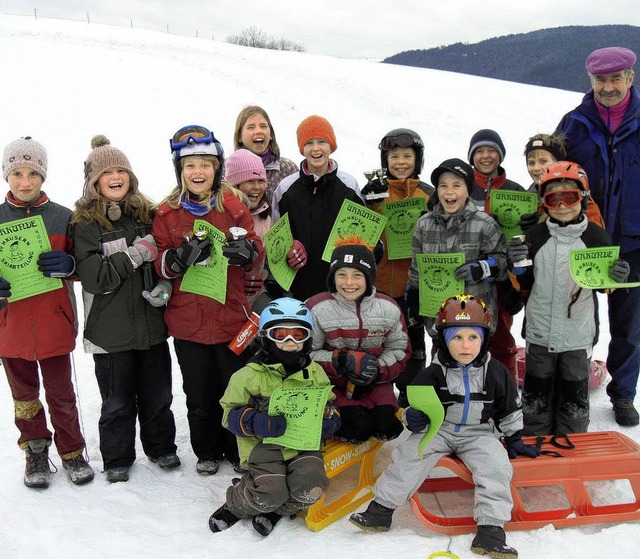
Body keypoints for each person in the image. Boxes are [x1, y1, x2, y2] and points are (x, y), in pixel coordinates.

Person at [349, 294, 539, 559]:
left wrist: (515, 436)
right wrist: (413, 418)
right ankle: (381, 510)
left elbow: (509, 406)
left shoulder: (496, 372)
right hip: (440, 430)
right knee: (408, 454)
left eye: (473, 337)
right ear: (444, 340)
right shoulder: (432, 373)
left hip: (479, 432)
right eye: (456, 338)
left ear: (484, 339)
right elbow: (415, 405)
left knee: (495, 466)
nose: (465, 345)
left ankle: (491, 530)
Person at [153, 125, 265, 475]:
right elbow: (157, 262)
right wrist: (174, 260)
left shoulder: (233, 207)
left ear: (217, 168)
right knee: (199, 395)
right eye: (189, 165)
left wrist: (248, 251)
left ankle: (236, 448)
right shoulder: (167, 214)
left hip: (232, 318)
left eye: (205, 163)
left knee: (234, 392)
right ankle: (207, 450)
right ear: (180, 171)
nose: (197, 171)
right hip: (188, 324)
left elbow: (256, 250)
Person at [73, 135, 179, 483]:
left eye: (122, 170)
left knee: (158, 395)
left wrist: (164, 288)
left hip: (150, 325)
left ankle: (161, 447)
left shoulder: (147, 214)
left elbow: (164, 263)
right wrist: (137, 253)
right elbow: (96, 278)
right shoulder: (85, 224)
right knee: (117, 402)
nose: (116, 176)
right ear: (94, 181)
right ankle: (117, 457)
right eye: (107, 172)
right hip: (110, 331)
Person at [506, 161, 629, 435]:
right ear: (544, 202)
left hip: (578, 334)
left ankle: (572, 441)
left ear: (583, 198)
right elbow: (523, 284)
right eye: (553, 198)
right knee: (536, 393)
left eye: (570, 197)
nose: (562, 206)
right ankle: (534, 439)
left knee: (574, 393)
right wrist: (515, 264)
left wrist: (616, 274)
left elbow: (604, 286)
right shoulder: (535, 236)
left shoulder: (596, 237)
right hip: (539, 332)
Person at [0, 136, 93, 488]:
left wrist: (70, 264)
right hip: (10, 329)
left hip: (55, 323)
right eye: (17, 173)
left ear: (44, 176)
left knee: (61, 394)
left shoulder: (63, 218)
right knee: (24, 397)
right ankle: (35, 450)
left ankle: (72, 451)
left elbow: (86, 267)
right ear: (7, 175)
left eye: (33, 174)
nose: (25, 182)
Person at [554, 46, 640, 426]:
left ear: (630, 78)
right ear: (590, 81)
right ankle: (572, 386)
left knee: (630, 323)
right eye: (600, 80)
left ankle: (622, 394)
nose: (608, 86)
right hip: (584, 239)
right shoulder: (574, 123)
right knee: (576, 316)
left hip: (634, 241)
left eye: (615, 79)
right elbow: (551, 175)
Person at [210, 297, 340, 536]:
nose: (290, 342)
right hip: (263, 447)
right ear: (266, 338)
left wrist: (330, 421)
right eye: (281, 335)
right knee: (270, 492)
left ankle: (275, 511)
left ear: (308, 338)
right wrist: (255, 422)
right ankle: (237, 504)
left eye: (297, 335)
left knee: (312, 487)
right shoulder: (247, 375)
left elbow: (328, 405)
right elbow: (229, 414)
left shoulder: (314, 373)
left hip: (303, 446)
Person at [307, 239, 408, 444]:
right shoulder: (317, 308)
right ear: (332, 278)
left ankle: (378, 413)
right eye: (341, 275)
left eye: (357, 275)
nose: (349, 283)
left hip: (376, 385)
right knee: (357, 429)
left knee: (388, 427)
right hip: (334, 386)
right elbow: (306, 354)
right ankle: (342, 420)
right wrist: (340, 360)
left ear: (369, 277)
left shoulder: (388, 308)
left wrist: (378, 369)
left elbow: (400, 348)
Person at [361, 128, 434, 407]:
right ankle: (377, 401)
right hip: (379, 288)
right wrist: (369, 204)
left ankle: (411, 402)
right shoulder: (375, 192)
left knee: (413, 348)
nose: (401, 162)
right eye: (394, 156)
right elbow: (360, 233)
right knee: (378, 346)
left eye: (407, 156)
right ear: (385, 159)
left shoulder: (428, 194)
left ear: (418, 159)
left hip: (412, 288)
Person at [406, 158, 507, 346]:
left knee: (477, 372)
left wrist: (483, 268)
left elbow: (503, 264)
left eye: (457, 185)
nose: (449, 192)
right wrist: (414, 295)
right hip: (440, 320)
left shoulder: (484, 224)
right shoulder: (424, 224)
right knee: (441, 371)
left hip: (477, 322)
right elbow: (416, 269)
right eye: (443, 186)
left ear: (468, 190)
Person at [272, 115, 364, 301]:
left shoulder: (348, 185)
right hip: (298, 288)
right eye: (309, 143)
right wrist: (287, 249)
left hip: (340, 289)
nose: (315, 148)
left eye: (322, 142)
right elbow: (276, 235)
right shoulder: (286, 188)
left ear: (331, 146)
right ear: (302, 149)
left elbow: (364, 233)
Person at [467, 129, 525, 380]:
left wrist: (518, 284)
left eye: (491, 150)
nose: (486, 156)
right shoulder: (462, 185)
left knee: (501, 338)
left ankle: (507, 392)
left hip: (501, 280)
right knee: (466, 335)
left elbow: (525, 240)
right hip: (467, 275)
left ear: (500, 155)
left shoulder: (516, 191)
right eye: (479, 151)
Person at [225, 148, 275, 313]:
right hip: (226, 300)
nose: (257, 188)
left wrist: (291, 249)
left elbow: (272, 262)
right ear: (234, 185)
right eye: (250, 181)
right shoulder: (222, 214)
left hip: (257, 294)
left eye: (260, 181)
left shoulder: (266, 217)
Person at [520, 133, 605, 229]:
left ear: (559, 163)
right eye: (531, 163)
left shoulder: (581, 199)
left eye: (543, 161)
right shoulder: (526, 198)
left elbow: (595, 236)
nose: (536, 168)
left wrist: (548, 222)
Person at [233, 105, 298, 202]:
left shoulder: (287, 168)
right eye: (251, 127)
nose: (258, 131)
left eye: (263, 126)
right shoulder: (228, 170)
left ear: (271, 134)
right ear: (239, 137)